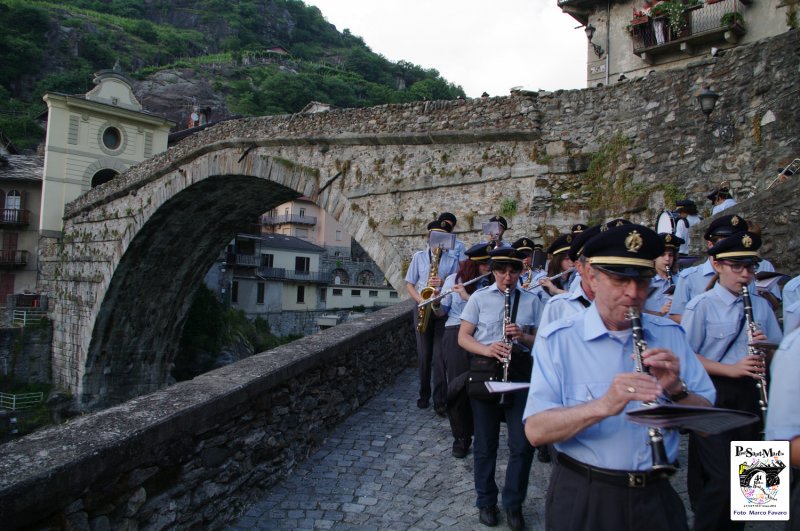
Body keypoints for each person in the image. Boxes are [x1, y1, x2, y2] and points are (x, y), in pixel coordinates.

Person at [523, 223, 715, 531]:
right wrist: (604, 405)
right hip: (588, 493)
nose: (634, 293)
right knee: (723, 491)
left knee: (745, 496)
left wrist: (677, 390)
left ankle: (758, 514)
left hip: (656, 493)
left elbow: (707, 426)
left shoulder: (670, 334)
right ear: (591, 276)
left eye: (643, 281)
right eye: (620, 279)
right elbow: (535, 431)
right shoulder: (559, 339)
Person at [681, 231, 783, 531]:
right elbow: (686, 357)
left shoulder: (761, 305)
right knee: (723, 479)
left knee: (756, 492)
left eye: (750, 267)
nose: (745, 274)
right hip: (715, 395)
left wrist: (765, 352)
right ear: (717, 265)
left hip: (753, 393)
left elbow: (777, 348)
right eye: (736, 266)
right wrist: (732, 369)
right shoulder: (702, 305)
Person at [458, 247, 543, 530]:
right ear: (493, 272)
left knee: (522, 444)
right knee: (485, 445)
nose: (508, 277)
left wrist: (524, 337)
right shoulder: (480, 298)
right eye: (502, 271)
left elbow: (543, 341)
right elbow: (463, 337)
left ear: (520, 271)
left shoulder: (532, 301)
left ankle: (513, 504)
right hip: (485, 374)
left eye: (513, 271)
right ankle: (486, 501)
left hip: (519, 375)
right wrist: (487, 348)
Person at [435, 242, 494, 458]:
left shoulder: (490, 284)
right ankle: (461, 437)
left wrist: (468, 298)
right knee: (457, 386)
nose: (489, 268)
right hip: (454, 332)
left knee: (481, 385)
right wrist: (435, 303)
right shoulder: (453, 280)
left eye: (489, 264)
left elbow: (490, 314)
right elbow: (442, 313)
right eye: (485, 265)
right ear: (473, 266)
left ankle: (483, 433)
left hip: (481, 335)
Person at [405, 220, 459, 412]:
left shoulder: (452, 261)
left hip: (442, 308)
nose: (438, 242)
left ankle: (439, 400)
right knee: (424, 354)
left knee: (439, 357)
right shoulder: (419, 257)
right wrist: (420, 300)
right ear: (429, 239)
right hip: (422, 306)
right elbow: (410, 284)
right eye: (435, 238)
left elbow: (454, 288)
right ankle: (424, 393)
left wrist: (444, 281)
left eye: (442, 238)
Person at [669, 214, 748, 323]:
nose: (731, 249)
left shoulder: (746, 276)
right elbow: (675, 315)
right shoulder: (689, 276)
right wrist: (705, 323)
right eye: (726, 244)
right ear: (710, 244)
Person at [764, 327, 800, 531]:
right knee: (723, 477)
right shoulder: (796, 346)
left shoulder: (761, 304)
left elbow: (773, 341)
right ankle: (761, 506)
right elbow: (783, 445)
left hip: (757, 377)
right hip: (726, 383)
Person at [644, 233, 683, 317]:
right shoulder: (645, 282)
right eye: (662, 255)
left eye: (670, 255)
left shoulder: (681, 280)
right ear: (654, 257)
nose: (667, 259)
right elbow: (639, 311)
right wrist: (660, 313)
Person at [538, 233, 574, 298]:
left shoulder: (578, 276)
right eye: (567, 259)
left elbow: (579, 298)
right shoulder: (542, 278)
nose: (572, 262)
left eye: (573, 258)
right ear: (558, 260)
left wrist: (555, 290)